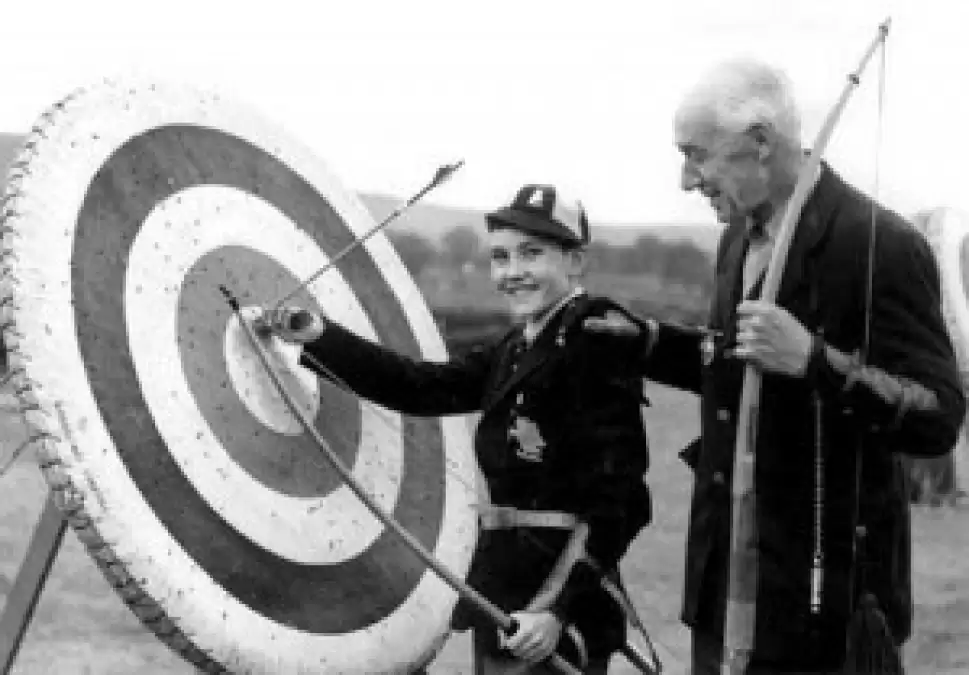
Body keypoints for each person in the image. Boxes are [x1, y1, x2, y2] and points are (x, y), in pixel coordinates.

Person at [585, 59, 966, 673]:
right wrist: (648, 341)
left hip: (828, 611)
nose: (686, 179)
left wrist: (816, 362)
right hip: (726, 595)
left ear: (760, 142)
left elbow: (939, 415)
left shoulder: (881, 242)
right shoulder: (736, 238)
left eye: (696, 155)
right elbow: (738, 363)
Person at [260, 184, 654, 673]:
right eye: (500, 257)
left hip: (555, 611)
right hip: (504, 593)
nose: (512, 272)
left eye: (532, 254)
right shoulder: (517, 346)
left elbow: (622, 501)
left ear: (575, 261)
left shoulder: (594, 340)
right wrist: (319, 337)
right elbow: (420, 387)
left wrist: (554, 610)